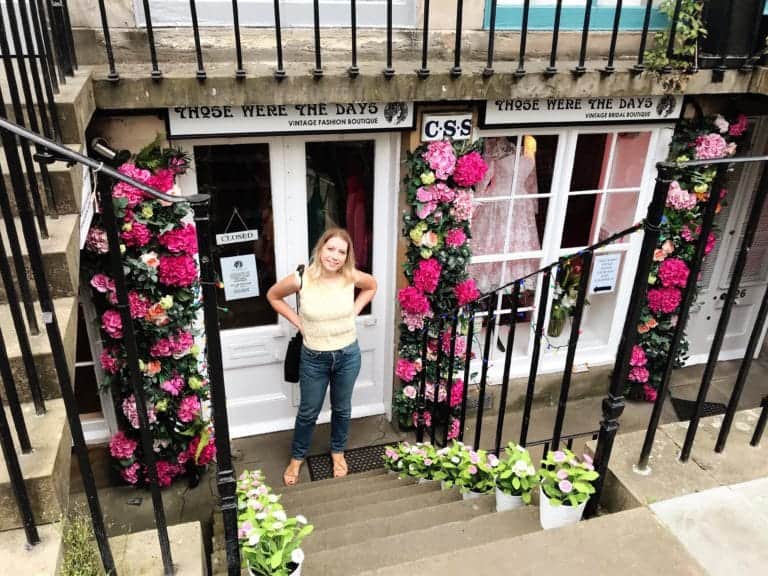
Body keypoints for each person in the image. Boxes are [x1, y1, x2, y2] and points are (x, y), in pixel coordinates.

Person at [267, 228, 377, 486]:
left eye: (342, 251)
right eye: (331, 249)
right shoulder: (302, 278)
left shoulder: (350, 276)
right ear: (321, 248)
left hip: (348, 354)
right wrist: (298, 322)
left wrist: (354, 311)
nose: (335, 256)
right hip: (314, 357)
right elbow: (273, 296)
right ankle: (297, 456)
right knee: (308, 412)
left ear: (347, 256)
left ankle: (337, 452)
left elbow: (372, 286)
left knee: (342, 408)